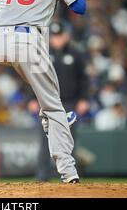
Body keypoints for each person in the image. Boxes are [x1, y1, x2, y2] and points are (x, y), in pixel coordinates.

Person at [0, 0, 87, 183]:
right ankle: (69, 172)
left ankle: (48, 118)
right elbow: (80, 7)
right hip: (27, 41)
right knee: (56, 109)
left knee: (47, 101)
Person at [36, 21, 89, 181]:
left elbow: (84, 79)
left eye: (60, 36)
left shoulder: (76, 54)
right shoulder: (44, 53)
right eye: (54, 36)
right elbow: (35, 77)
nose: (57, 40)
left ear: (66, 36)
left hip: (70, 103)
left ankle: (70, 176)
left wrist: (84, 99)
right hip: (47, 103)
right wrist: (32, 99)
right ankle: (42, 177)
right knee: (45, 140)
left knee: (69, 140)